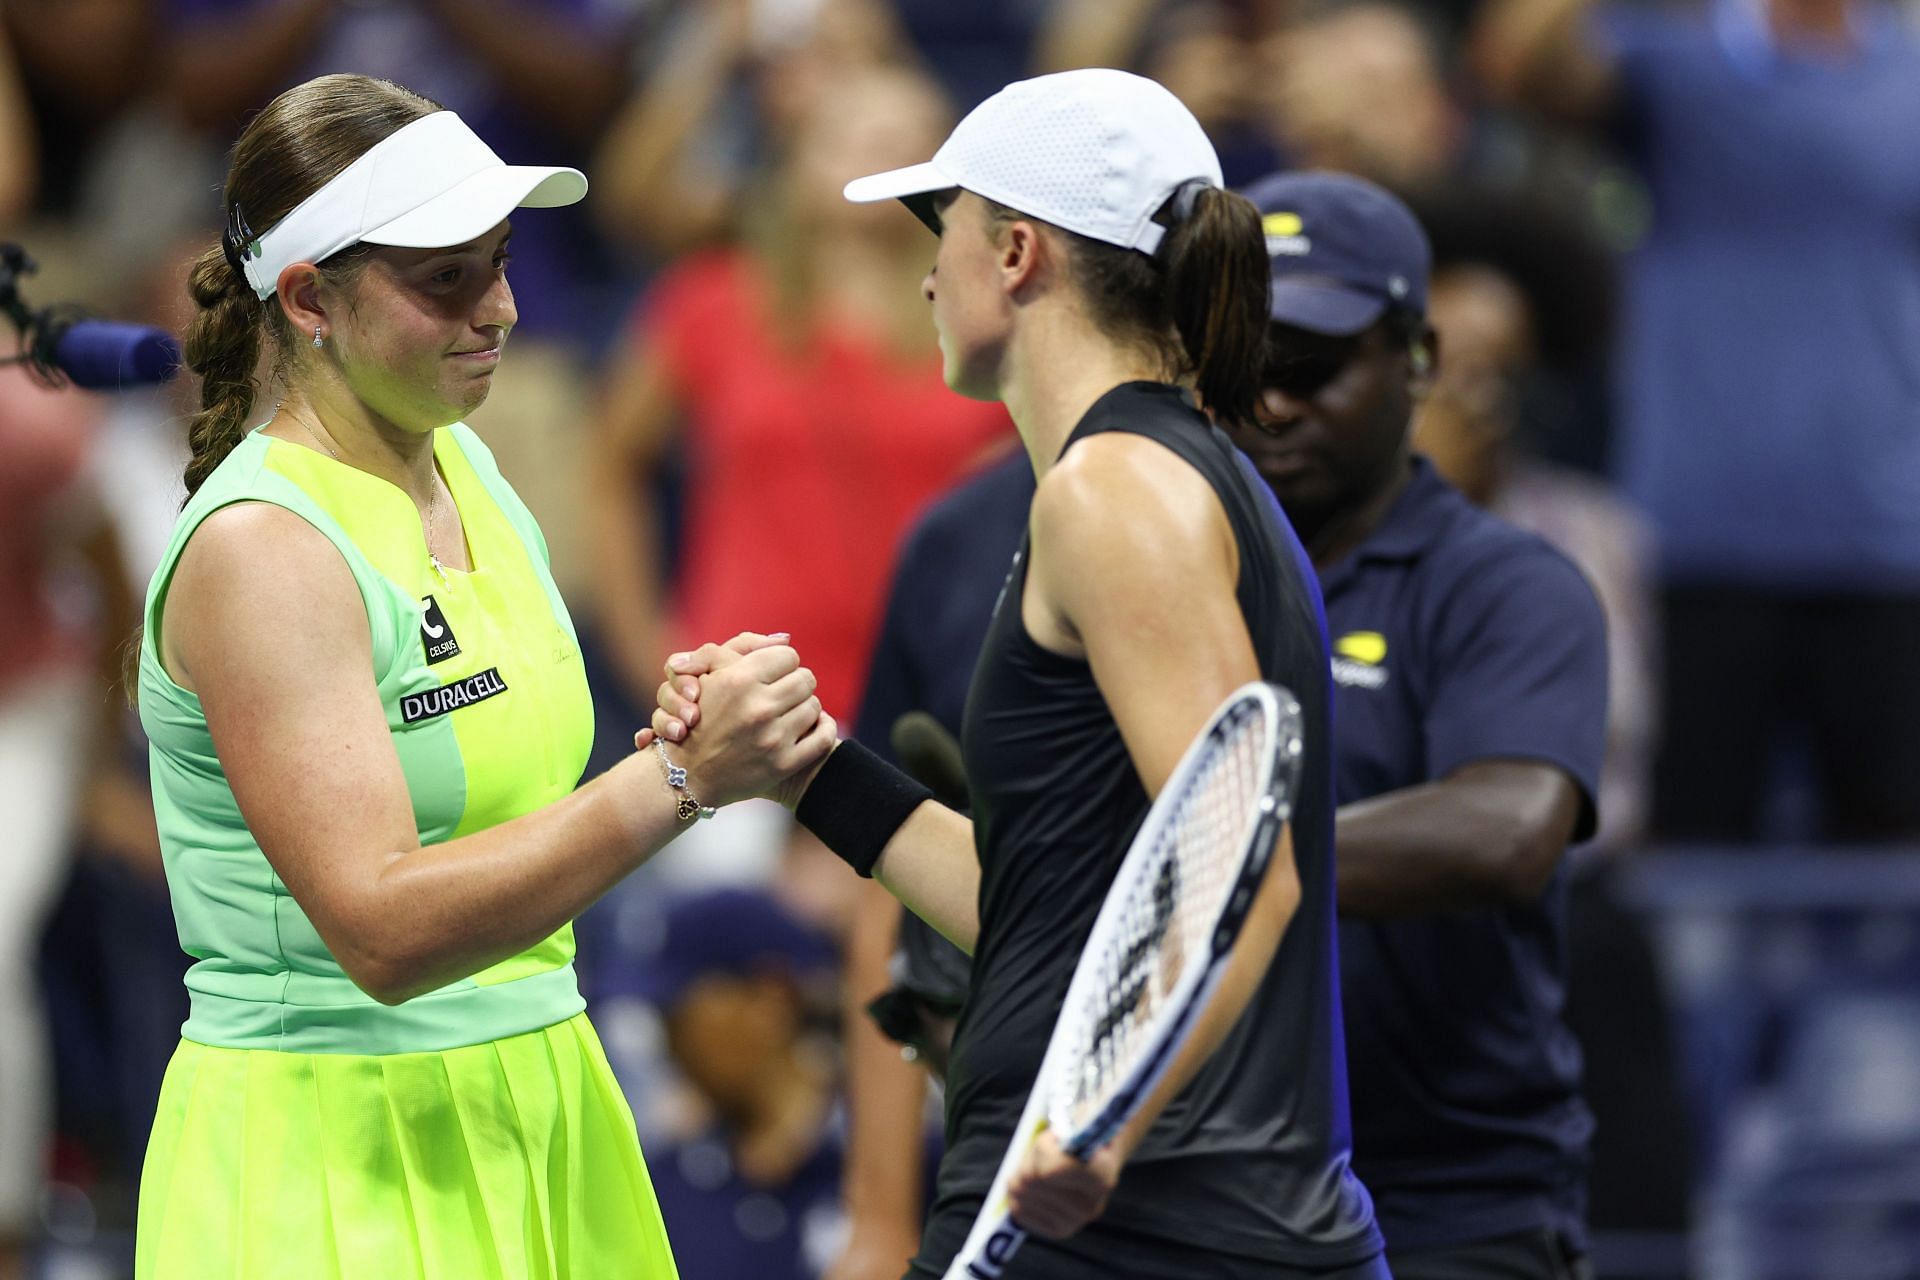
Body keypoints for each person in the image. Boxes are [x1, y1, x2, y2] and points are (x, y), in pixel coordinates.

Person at [647, 68, 1385, 1280]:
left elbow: (1246, 872)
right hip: (1129, 1216)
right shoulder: (1133, 484)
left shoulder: (1113, 492)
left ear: (1020, 254)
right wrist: (806, 767)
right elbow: (1046, 910)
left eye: (945, 230)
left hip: (1149, 1227)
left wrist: (1097, 1130)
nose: (927, 275)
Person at [132, 73, 831, 1279]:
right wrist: (675, 777)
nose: (499, 308)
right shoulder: (265, 551)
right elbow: (383, 927)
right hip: (335, 1148)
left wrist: (675, 726)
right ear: (307, 298)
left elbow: (517, 807)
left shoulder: (467, 461)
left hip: (541, 1098)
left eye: (500, 262)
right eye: (445, 277)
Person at [1225, 170, 1607, 1280]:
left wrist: (1210, 869)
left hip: (1446, 1201)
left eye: (1315, 367)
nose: (1274, 403)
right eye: (1246, 367)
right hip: (1196, 1193)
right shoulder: (1154, 577)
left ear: (1421, 360)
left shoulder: (1504, 583)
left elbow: (1509, 825)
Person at [1475, 0, 1920, 842]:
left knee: (1896, 893)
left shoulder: (1908, 73)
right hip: (1700, 547)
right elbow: (1518, 64)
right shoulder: (1675, 66)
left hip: (1888, 548)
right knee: (1690, 870)